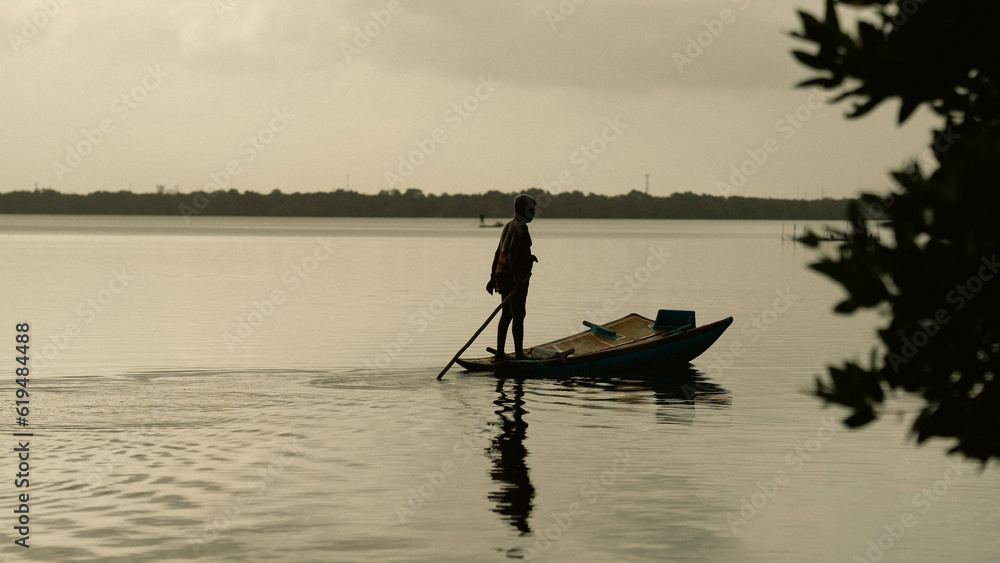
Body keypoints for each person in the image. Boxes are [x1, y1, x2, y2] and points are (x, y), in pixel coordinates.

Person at [486, 194, 538, 362]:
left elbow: (498, 252)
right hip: (514, 277)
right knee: (519, 314)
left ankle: (500, 354)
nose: (534, 213)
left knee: (507, 314)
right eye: (531, 209)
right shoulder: (521, 227)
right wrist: (517, 277)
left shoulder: (508, 226)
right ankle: (519, 355)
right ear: (523, 209)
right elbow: (512, 254)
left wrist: (493, 277)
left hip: (503, 274)